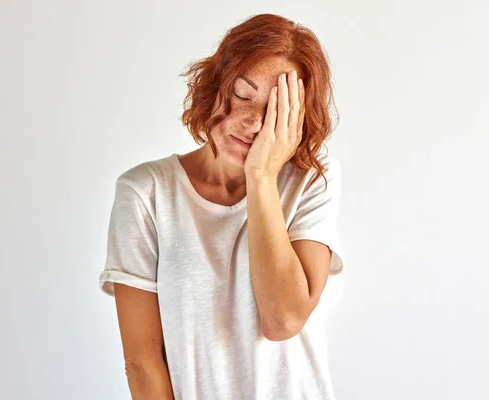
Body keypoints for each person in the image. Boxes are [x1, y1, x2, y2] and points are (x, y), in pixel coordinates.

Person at [99, 13, 346, 400]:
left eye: (274, 112)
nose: (252, 123)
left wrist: (261, 175)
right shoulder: (145, 193)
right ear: (215, 85)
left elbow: (282, 320)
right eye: (243, 95)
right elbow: (143, 363)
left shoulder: (310, 179)